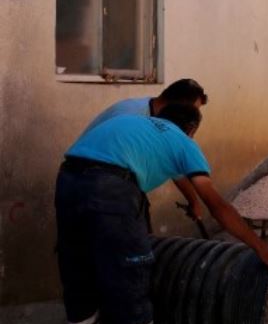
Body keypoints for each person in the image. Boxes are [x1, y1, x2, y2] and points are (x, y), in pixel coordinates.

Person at [55, 103, 268, 324]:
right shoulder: (182, 142)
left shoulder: (133, 123)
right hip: (111, 189)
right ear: (190, 130)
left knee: (81, 274)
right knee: (129, 278)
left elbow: (178, 175)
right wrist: (260, 247)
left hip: (68, 180)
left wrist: (192, 202)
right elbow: (219, 207)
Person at [80, 78, 209, 223]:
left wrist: (194, 202)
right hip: (96, 182)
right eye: (192, 111)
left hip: (115, 184)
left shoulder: (162, 122)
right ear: (177, 105)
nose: (193, 119)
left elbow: (175, 167)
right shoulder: (132, 113)